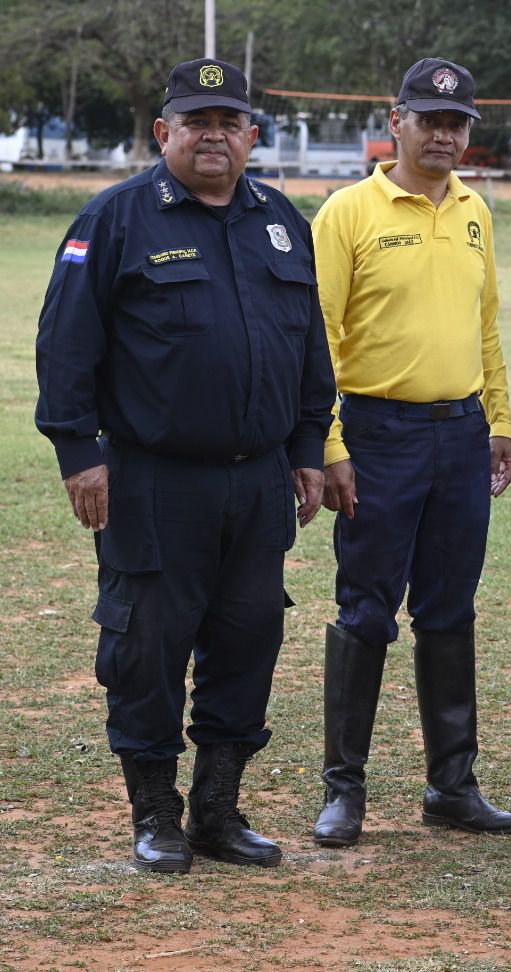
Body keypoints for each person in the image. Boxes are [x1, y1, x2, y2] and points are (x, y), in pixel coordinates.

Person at [35, 57, 335, 873]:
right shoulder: (117, 218)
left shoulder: (280, 219)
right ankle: (156, 815)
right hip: (153, 479)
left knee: (248, 640)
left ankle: (216, 810)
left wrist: (308, 447)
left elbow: (309, 345)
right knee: (149, 648)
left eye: (228, 121)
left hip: (259, 478)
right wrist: (78, 454)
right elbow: (67, 344)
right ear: (163, 132)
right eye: (196, 122)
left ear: (252, 135)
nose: (213, 135)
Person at [311, 57, 511, 847]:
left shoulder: (475, 210)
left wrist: (498, 421)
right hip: (376, 435)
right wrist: (329, 443)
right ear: (394, 119)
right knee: (366, 608)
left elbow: (486, 326)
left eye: (456, 122)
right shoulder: (348, 212)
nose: (443, 134)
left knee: (448, 608)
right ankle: (345, 791)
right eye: (428, 119)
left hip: (460, 434)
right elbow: (319, 337)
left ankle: (452, 786)